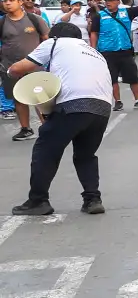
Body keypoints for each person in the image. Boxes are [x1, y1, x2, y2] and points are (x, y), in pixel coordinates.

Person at [9, 22, 113, 216]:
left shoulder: (55, 43)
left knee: (45, 150)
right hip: (103, 107)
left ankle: (38, 200)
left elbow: (19, 68)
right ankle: (92, 200)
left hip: (73, 104)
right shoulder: (94, 52)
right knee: (86, 155)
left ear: (54, 36)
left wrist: (10, 71)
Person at [0, 0, 51, 140]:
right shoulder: (2, 22)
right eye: (5, 1)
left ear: (20, 2)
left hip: (34, 65)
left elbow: (47, 40)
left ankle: (48, 128)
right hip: (10, 66)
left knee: (39, 97)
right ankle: (26, 129)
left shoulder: (34, 19)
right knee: (18, 97)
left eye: (11, 0)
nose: (7, 3)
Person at [88, 0, 138, 111]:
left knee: (133, 76)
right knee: (112, 78)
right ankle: (118, 102)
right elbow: (94, 33)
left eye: (111, 0)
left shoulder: (127, 12)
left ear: (118, 2)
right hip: (107, 51)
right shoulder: (99, 16)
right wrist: (93, 49)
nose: (108, 2)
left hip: (125, 50)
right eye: (107, 0)